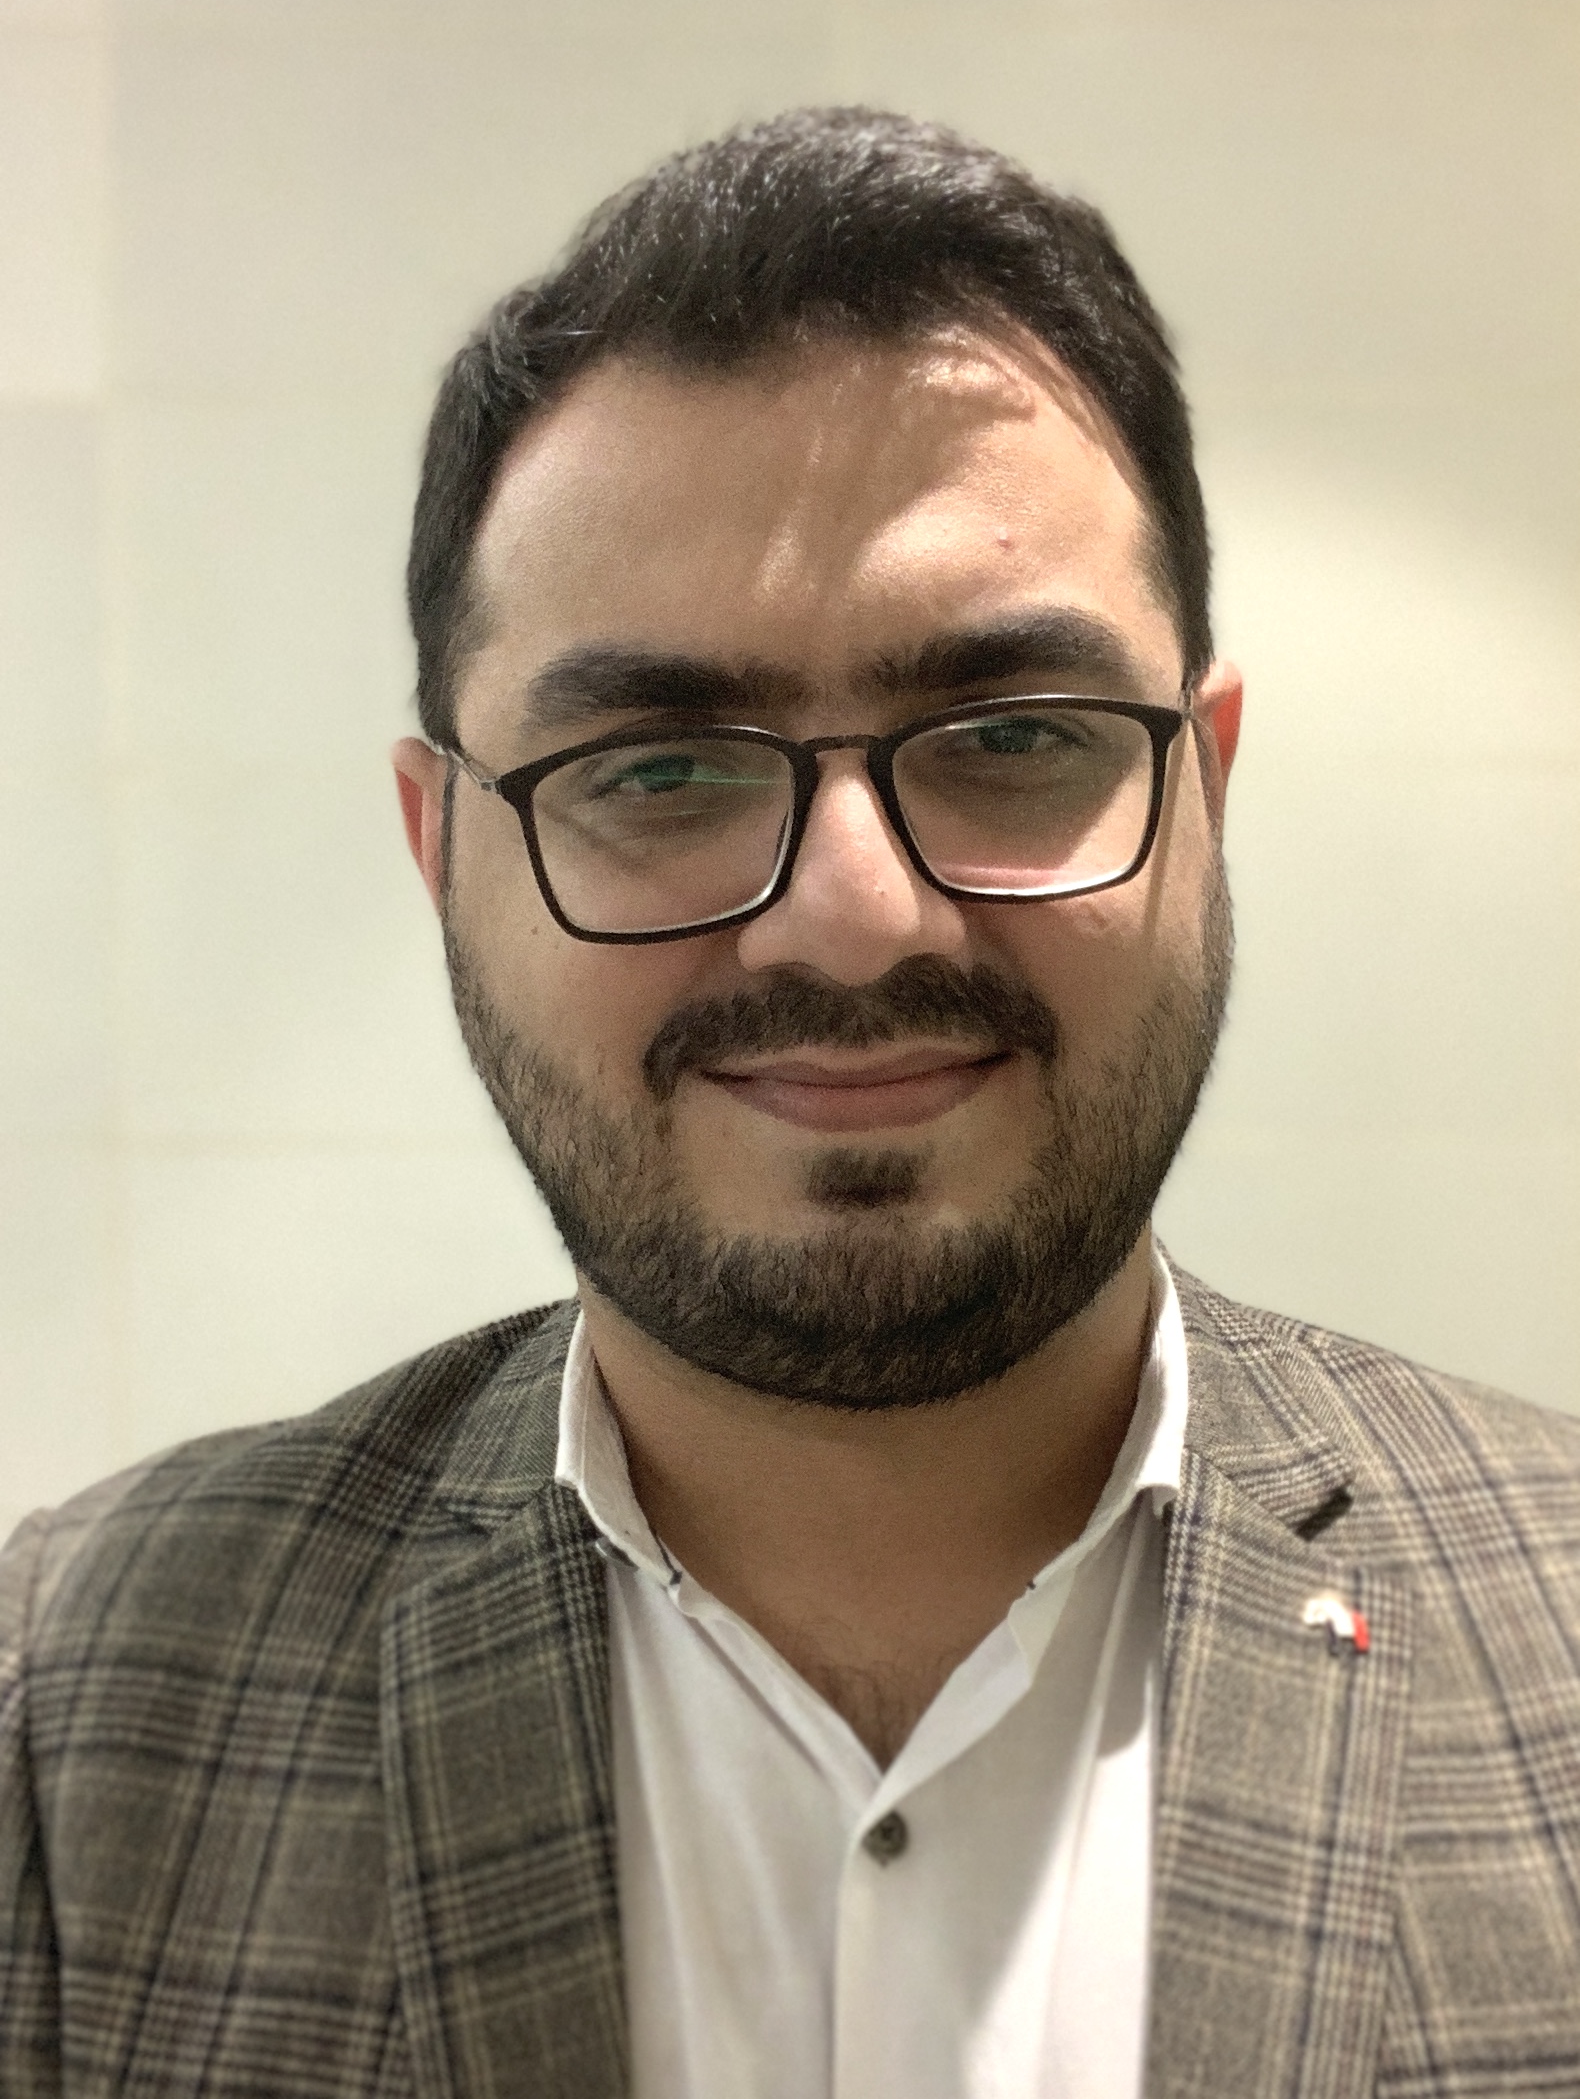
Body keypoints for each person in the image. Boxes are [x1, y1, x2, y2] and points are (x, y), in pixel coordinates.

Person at [3, 107, 1578, 2099]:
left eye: (1013, 734)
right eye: (658, 768)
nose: (852, 917)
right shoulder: (68, 1714)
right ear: (440, 849)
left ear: (1204, 783)